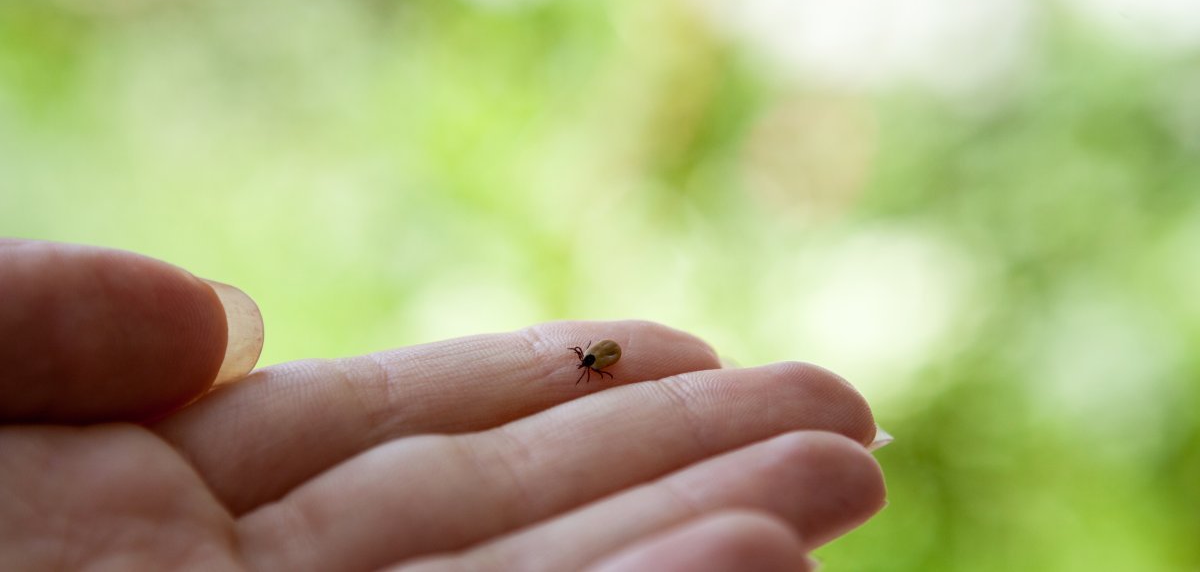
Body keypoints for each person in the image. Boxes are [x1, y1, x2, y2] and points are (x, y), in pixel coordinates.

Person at [0, 239, 887, 571]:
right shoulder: (596, 361)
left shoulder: (592, 361)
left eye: (589, 364)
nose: (590, 363)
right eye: (590, 363)